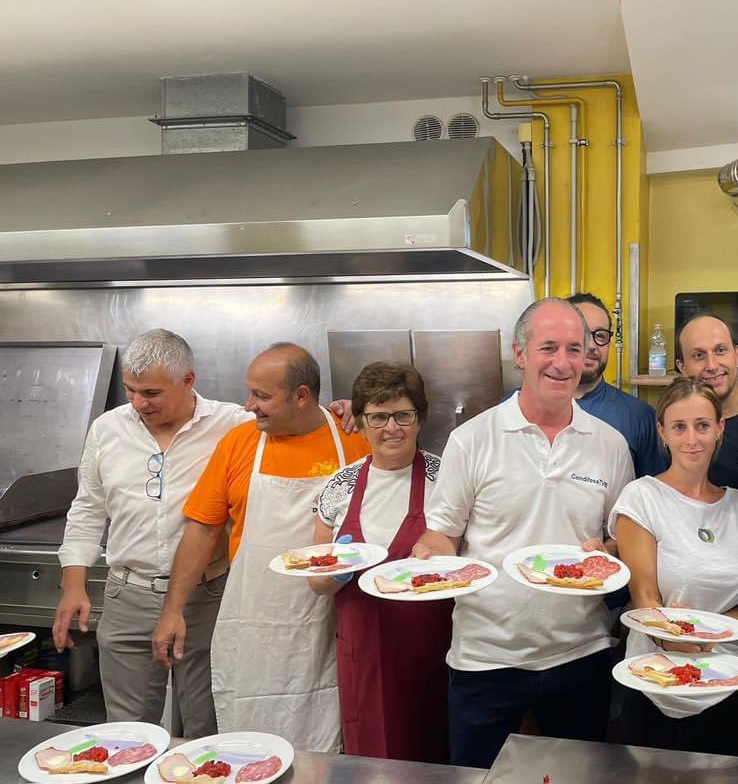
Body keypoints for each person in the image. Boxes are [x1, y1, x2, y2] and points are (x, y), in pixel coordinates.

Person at [411, 297, 635, 768]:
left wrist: (607, 550)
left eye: (574, 349)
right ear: (519, 353)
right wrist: (428, 559)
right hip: (485, 657)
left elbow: (623, 540)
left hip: (581, 653)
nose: (562, 362)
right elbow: (443, 536)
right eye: (548, 347)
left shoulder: (610, 445)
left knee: (578, 779)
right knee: (479, 779)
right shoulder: (472, 439)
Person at [151, 343, 370, 752]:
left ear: (302, 396)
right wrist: (173, 610)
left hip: (334, 622)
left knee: (330, 739)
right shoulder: (239, 444)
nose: (249, 405)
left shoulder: (354, 438)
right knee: (250, 742)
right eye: (249, 392)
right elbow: (202, 531)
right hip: (255, 623)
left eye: (262, 396)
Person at [53, 329, 250, 736]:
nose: (139, 403)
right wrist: (74, 585)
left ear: (188, 381)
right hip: (128, 595)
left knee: (209, 726)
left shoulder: (234, 425)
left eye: (152, 393)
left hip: (207, 596)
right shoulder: (107, 429)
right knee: (127, 731)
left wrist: (343, 411)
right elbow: (88, 508)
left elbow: (299, 424)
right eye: (131, 390)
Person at [610, 375, 738, 755]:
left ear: (720, 429)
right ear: (662, 432)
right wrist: (675, 637)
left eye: (702, 425)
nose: (692, 439)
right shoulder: (642, 497)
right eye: (679, 427)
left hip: (730, 678)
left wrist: (711, 636)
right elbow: (644, 597)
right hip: (656, 677)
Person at [308, 362, 449, 762]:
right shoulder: (339, 486)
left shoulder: (448, 479)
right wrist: (340, 570)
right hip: (363, 650)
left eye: (403, 414)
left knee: (434, 750)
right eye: (378, 416)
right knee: (372, 759)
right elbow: (316, 583)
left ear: (419, 419)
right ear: (362, 421)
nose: (392, 428)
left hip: (434, 647)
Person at [568, 292, 666, 478]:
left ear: (610, 343)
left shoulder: (640, 417)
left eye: (601, 335)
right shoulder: (518, 405)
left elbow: (655, 496)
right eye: (580, 333)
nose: (591, 345)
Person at [676, 314, 738, 491]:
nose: (712, 365)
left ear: (737, 355)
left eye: (720, 350)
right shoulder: (674, 429)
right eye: (699, 355)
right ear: (682, 367)